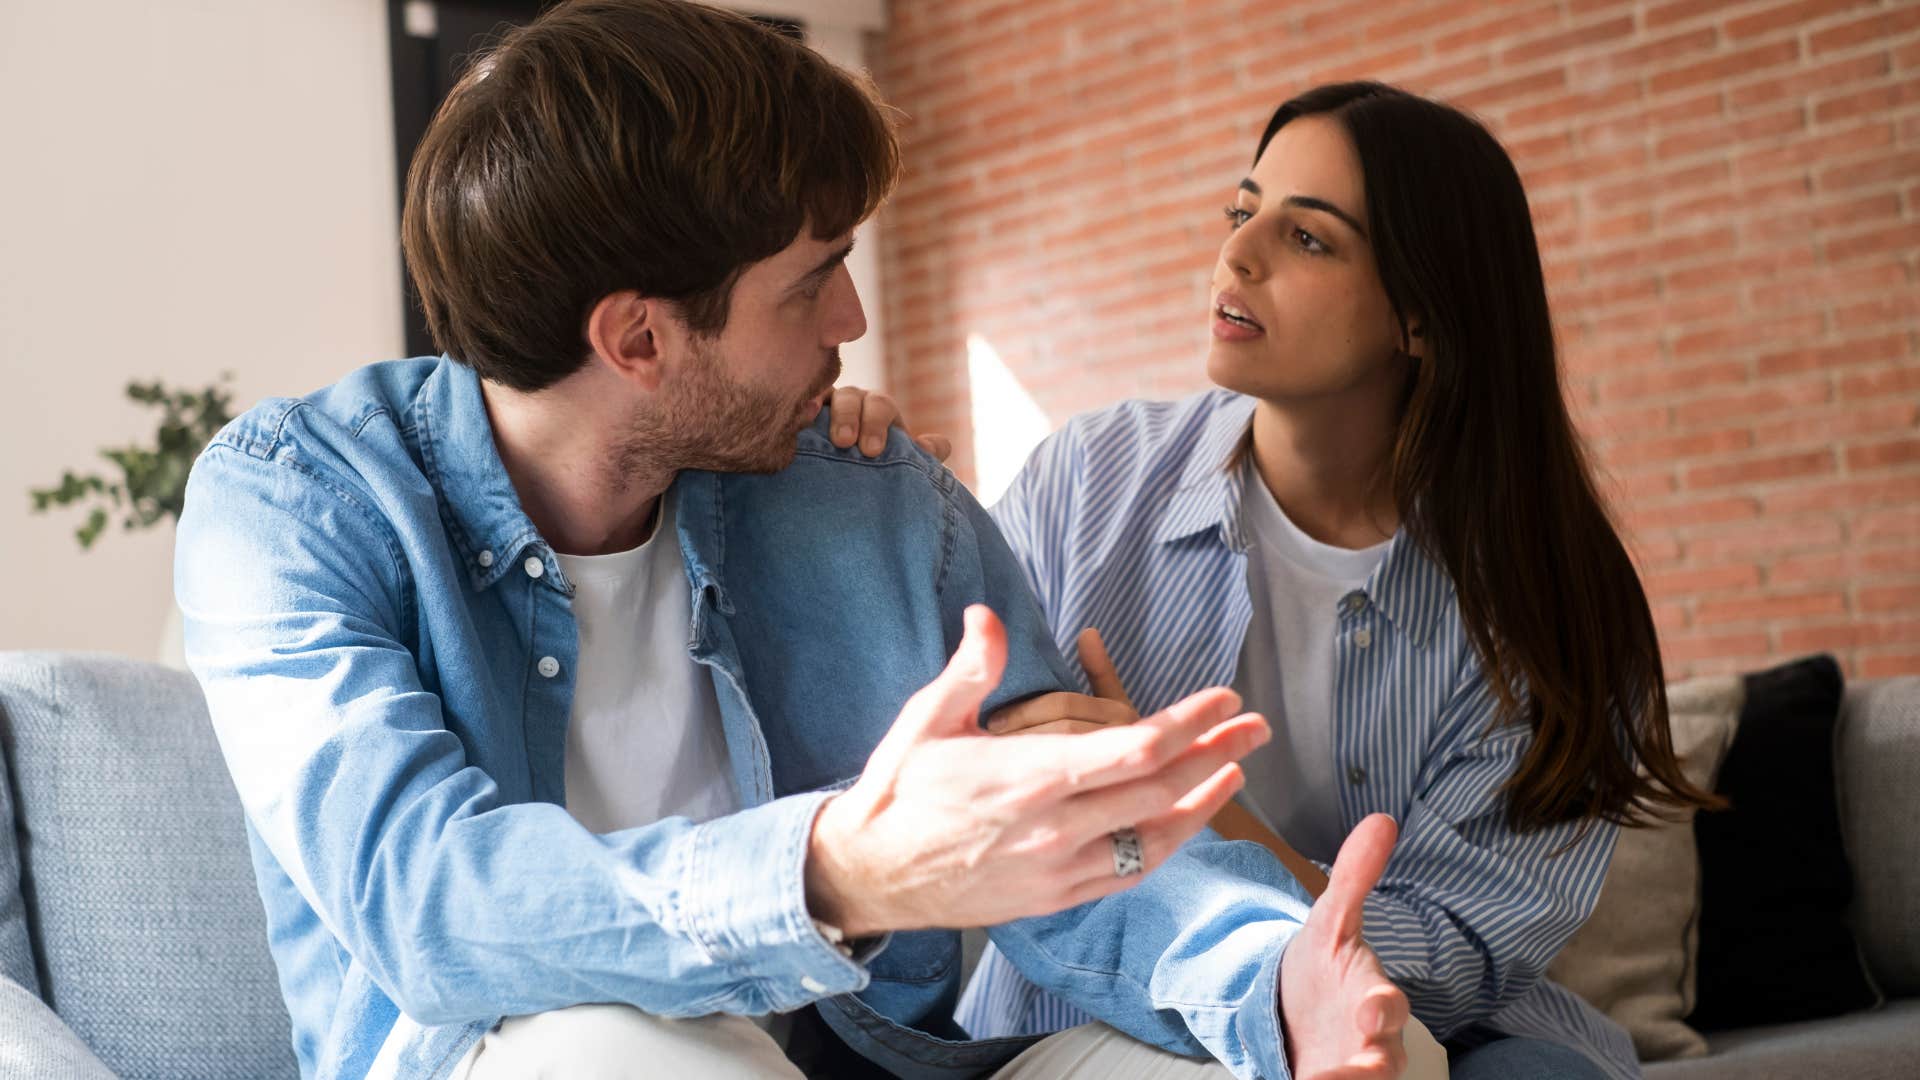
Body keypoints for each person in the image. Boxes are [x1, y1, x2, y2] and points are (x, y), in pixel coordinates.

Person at [174, 8, 1416, 1079]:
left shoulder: (863, 489)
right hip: (526, 1057)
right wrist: (845, 869)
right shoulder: (297, 504)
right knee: (628, 1052)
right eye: (812, 280)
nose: (856, 318)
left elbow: (1072, 844)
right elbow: (428, 902)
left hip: (867, 1059)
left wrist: (1271, 976)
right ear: (640, 342)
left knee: (1348, 1048)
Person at [929, 82, 1721, 1080]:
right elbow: (942, 767)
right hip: (1094, 1008)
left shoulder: (1550, 605)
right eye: (1243, 210)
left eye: (1309, 239)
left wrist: (1191, 803)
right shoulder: (1088, 481)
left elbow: (1448, 966)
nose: (1238, 254)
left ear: (1423, 317)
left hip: (1434, 1030)